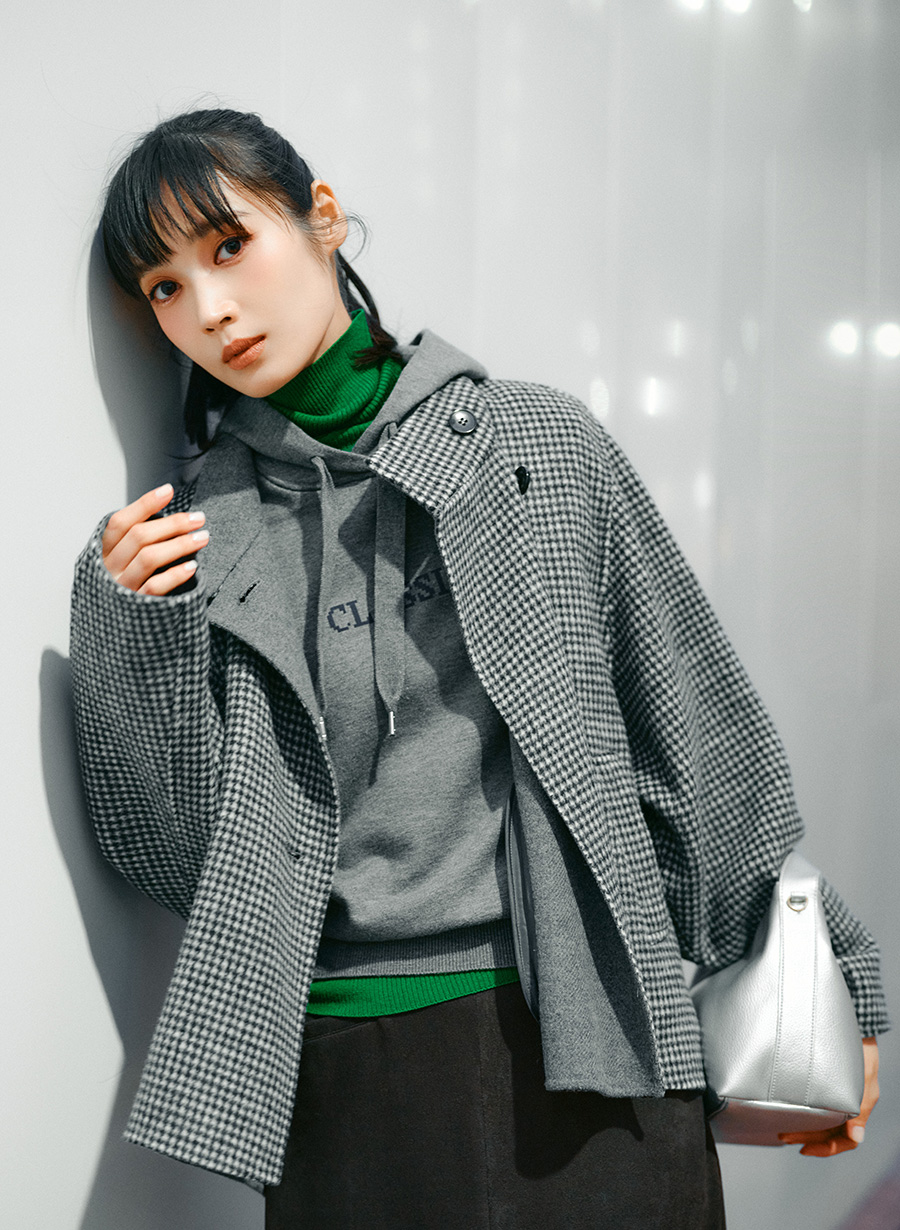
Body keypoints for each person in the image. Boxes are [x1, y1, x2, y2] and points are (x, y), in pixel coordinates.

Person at [70, 108, 888, 1228]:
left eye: (229, 245)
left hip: (595, 1040)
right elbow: (175, 862)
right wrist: (137, 630)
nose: (208, 309)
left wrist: (835, 982)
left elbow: (699, 733)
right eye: (165, 286)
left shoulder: (534, 445)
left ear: (321, 219)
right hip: (345, 1072)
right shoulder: (197, 533)